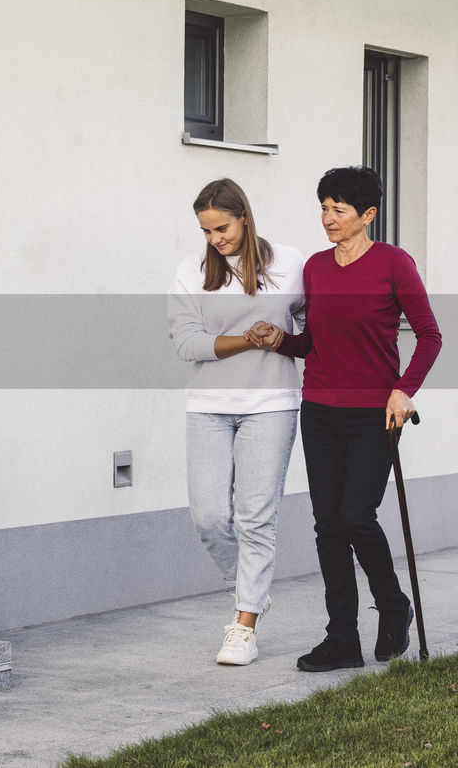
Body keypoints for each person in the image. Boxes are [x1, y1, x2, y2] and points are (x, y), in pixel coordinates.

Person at [247, 166, 441, 672]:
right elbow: (315, 342)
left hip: (374, 413)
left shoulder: (394, 264)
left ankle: (394, 605)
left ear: (368, 214)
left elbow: (430, 335)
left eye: (339, 210)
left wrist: (404, 391)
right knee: (328, 526)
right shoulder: (315, 267)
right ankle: (342, 640)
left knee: (356, 516)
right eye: (324, 208)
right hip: (321, 410)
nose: (328, 218)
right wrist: (281, 342)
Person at [168, 178, 306, 665]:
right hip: (208, 405)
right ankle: (253, 590)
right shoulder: (191, 272)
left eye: (222, 228)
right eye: (206, 231)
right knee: (209, 517)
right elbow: (187, 343)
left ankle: (244, 623)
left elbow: (313, 326)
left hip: (271, 404)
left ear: (244, 217)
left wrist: (284, 337)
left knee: (255, 517)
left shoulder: (289, 263)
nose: (215, 239)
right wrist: (249, 338)